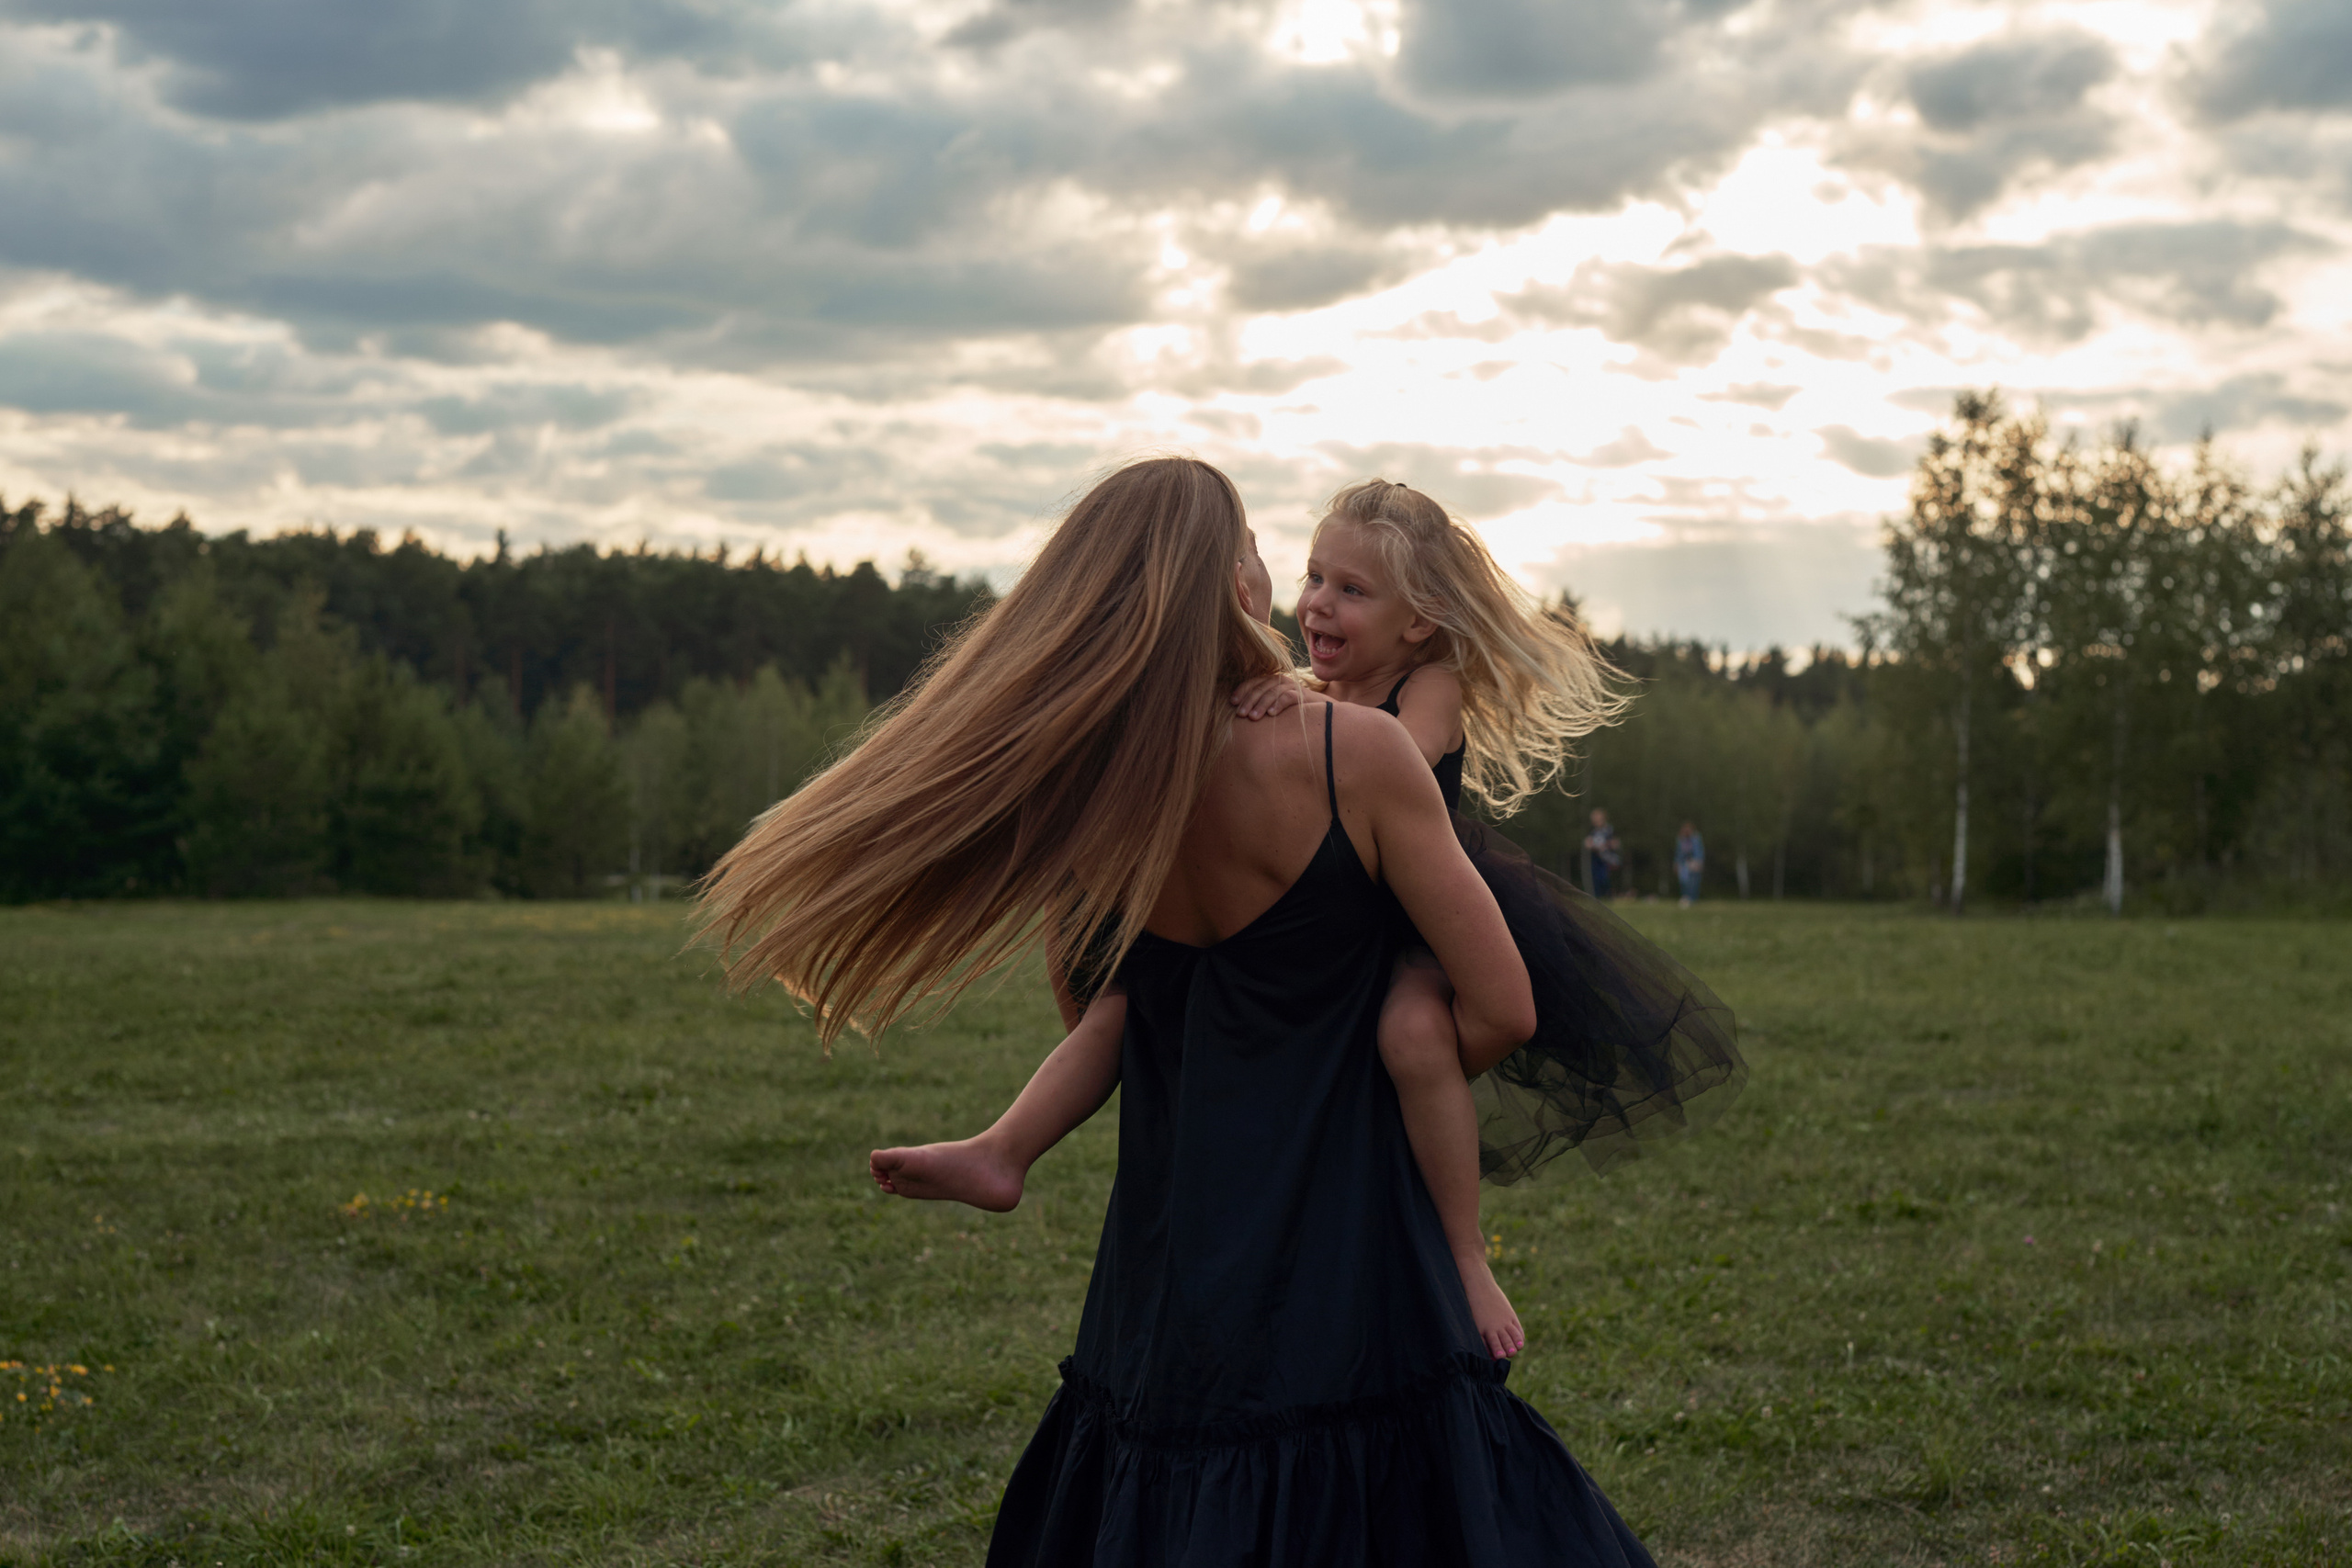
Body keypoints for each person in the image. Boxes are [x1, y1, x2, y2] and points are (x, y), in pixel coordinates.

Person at [700, 457, 1659, 1564]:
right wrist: (1391, 1068)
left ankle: (1001, 1152)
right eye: (1257, 544)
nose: (1289, 582)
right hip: (1345, 1232)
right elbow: (1502, 1004)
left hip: (1170, 1247)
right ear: (1228, 586)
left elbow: (1093, 1009)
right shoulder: (1353, 750)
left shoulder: (1102, 787)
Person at [1583, 807, 1623, 897]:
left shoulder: (1609, 830)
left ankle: (1611, 896)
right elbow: (1587, 844)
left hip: (1608, 860)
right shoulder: (1593, 832)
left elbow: (1616, 843)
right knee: (1596, 881)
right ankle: (1600, 897)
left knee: (1606, 880)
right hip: (1597, 859)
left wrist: (1605, 845)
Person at [1675, 821, 1705, 907]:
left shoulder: (1696, 838)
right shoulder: (1681, 839)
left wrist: (1698, 862)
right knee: (1684, 881)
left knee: (1694, 882)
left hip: (1694, 861)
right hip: (1683, 863)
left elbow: (1699, 851)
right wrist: (1677, 863)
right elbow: (1678, 852)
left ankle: (1693, 899)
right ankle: (1686, 897)